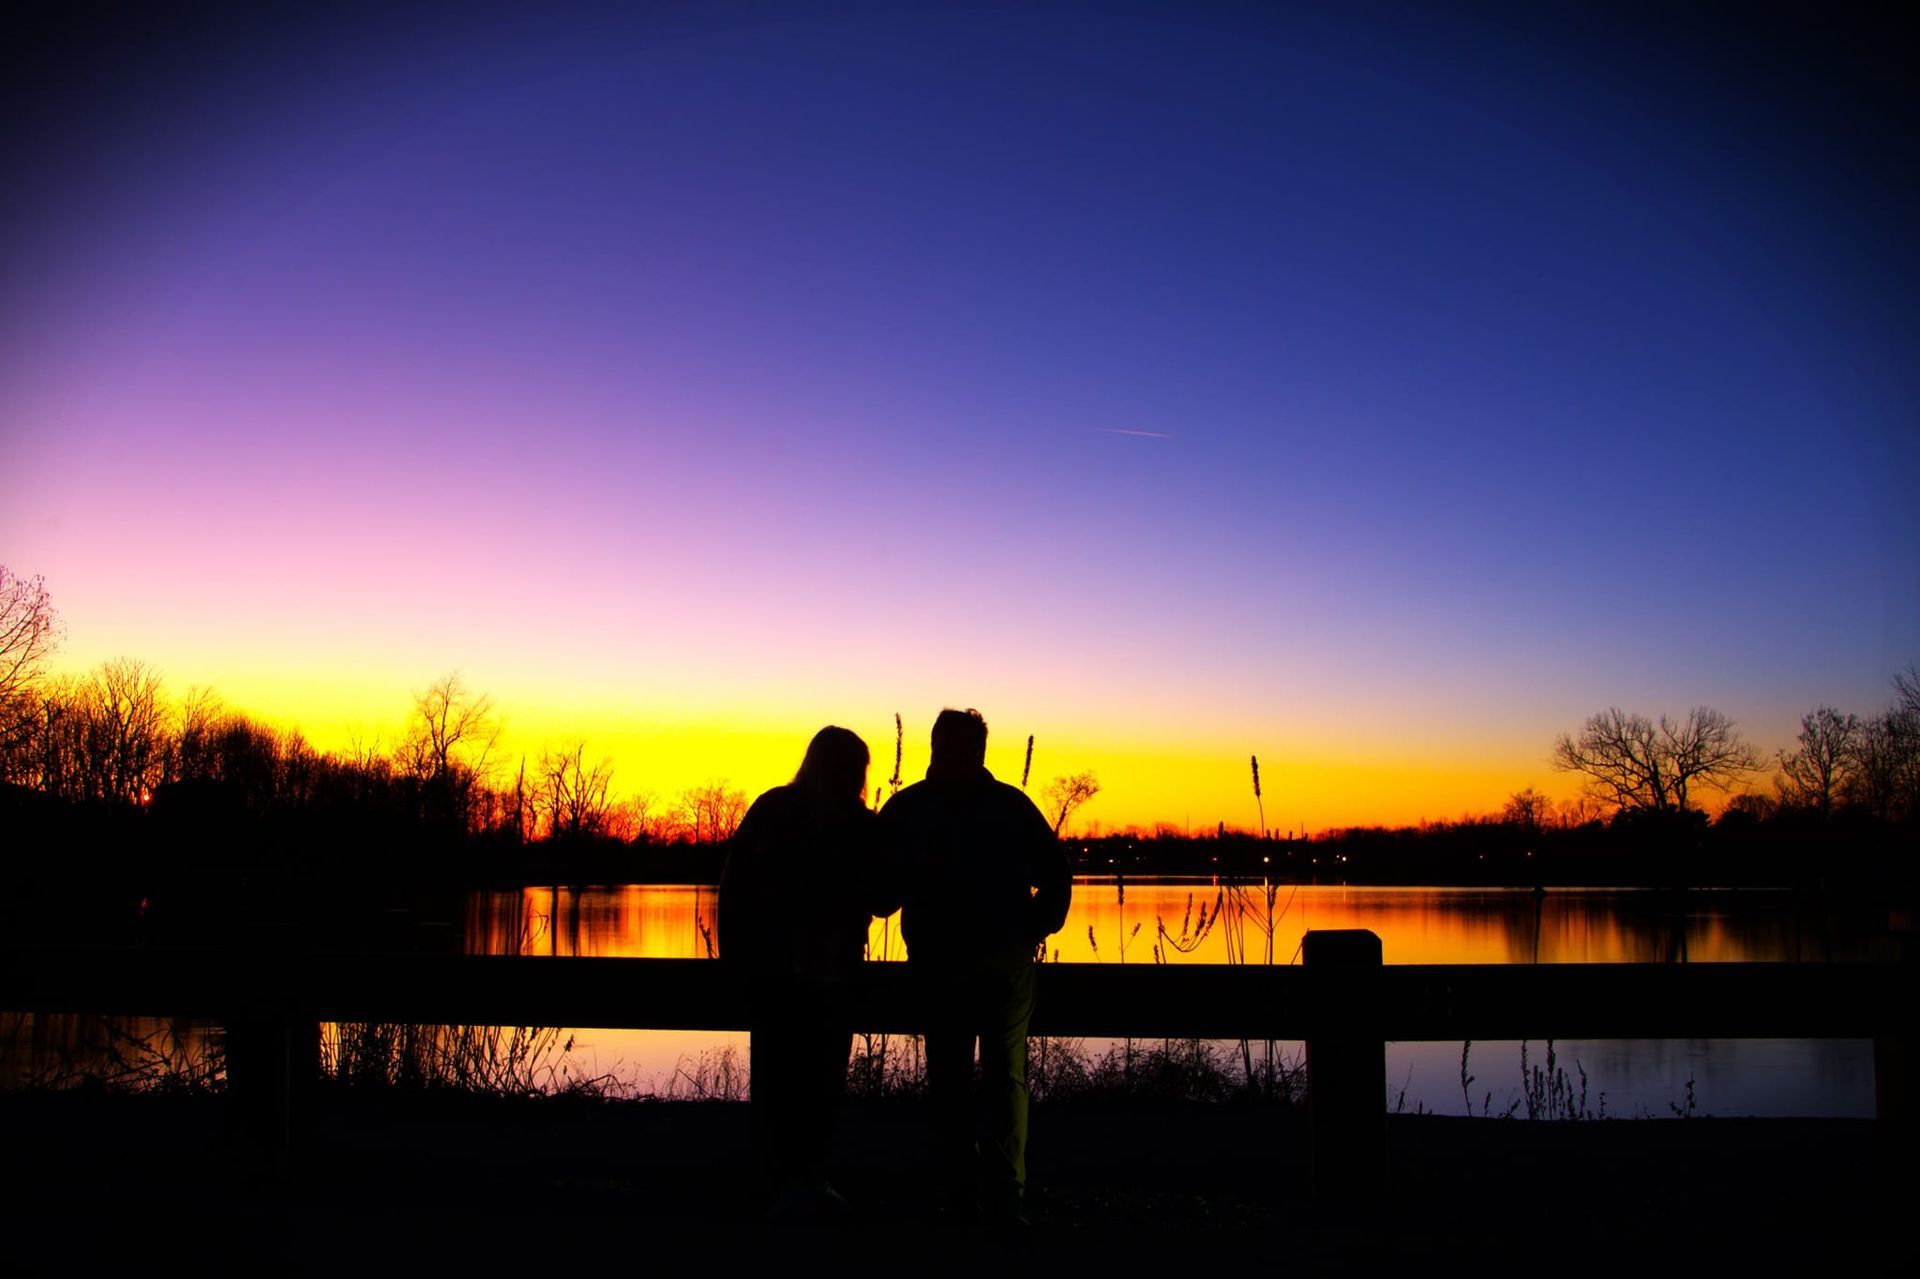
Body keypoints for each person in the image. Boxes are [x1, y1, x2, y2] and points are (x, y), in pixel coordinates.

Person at [878, 707, 1071, 1225]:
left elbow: (879, 894)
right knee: (999, 1078)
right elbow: (1057, 874)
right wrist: (1036, 926)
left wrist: (1034, 927)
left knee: (954, 1078)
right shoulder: (1010, 806)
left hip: (955, 964)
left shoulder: (909, 809)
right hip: (987, 963)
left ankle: (966, 1193)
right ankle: (1000, 1195)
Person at [718, 725, 888, 1220]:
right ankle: (806, 1181)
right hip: (823, 980)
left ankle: (779, 1185)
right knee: (818, 1084)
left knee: (778, 1082)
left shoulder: (773, 810)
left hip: (776, 978)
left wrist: (737, 964)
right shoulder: (857, 824)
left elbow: (733, 892)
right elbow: (883, 899)